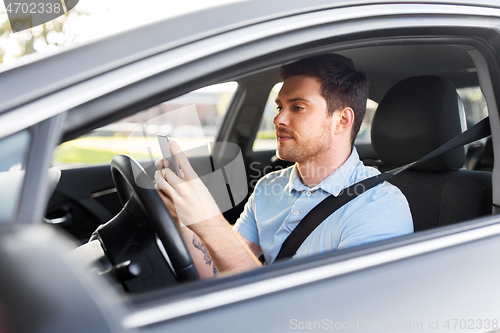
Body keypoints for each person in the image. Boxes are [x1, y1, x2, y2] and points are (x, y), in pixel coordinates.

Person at [154, 54, 413, 278]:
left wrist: (210, 222)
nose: (278, 118)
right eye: (279, 106)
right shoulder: (269, 186)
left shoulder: (378, 206)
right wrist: (184, 215)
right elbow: (218, 269)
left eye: (297, 107)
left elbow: (324, 314)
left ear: (341, 120)